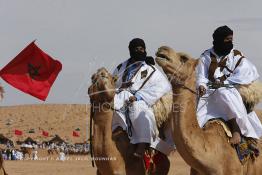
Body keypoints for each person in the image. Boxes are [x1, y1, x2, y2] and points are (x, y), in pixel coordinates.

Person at [196, 25, 262, 144]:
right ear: (218, 40)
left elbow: (246, 73)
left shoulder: (236, 55)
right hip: (209, 91)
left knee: (223, 92)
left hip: (230, 89)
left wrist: (224, 83)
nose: (230, 42)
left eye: (231, 39)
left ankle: (236, 129)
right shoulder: (206, 56)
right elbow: (201, 76)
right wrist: (201, 85)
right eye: (227, 40)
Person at [112, 38, 172, 158]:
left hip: (139, 100)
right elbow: (111, 84)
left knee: (138, 109)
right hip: (119, 96)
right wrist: (119, 87)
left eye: (142, 49)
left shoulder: (151, 70)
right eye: (136, 49)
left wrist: (139, 96)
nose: (140, 51)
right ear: (130, 51)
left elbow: (163, 86)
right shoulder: (120, 68)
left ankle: (142, 143)